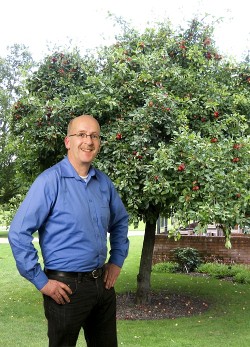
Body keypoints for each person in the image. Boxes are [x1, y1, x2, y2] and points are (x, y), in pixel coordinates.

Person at [8, 115, 129, 347]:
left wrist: (116, 260)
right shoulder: (49, 182)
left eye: (94, 136)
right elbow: (18, 233)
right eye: (81, 135)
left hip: (102, 285)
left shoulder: (103, 183)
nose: (89, 141)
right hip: (65, 290)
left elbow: (120, 221)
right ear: (67, 141)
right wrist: (41, 282)